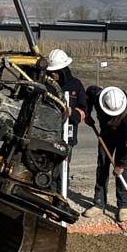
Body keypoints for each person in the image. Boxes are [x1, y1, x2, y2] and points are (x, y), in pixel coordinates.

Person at [82, 85, 127, 223]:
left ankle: (124, 205)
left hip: (124, 137)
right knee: (102, 165)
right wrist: (87, 114)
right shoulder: (98, 96)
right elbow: (87, 98)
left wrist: (121, 164)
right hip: (106, 134)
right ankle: (99, 203)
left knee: (121, 170)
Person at [45, 49, 86, 190]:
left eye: (56, 71)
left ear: (63, 70)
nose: (53, 74)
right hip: (48, 133)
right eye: (51, 71)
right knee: (48, 164)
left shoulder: (76, 85)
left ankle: (62, 191)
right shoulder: (47, 85)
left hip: (67, 133)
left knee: (63, 164)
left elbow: (83, 111)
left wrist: (72, 112)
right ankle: (49, 190)